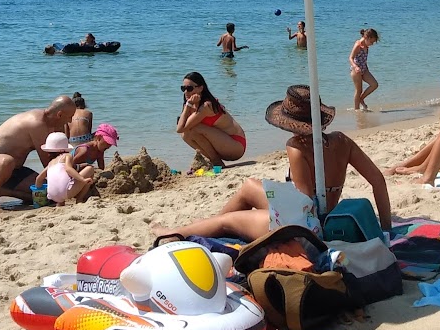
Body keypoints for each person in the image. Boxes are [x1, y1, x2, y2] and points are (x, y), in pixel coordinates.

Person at [158, 86, 392, 241]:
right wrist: (386, 231)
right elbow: (378, 181)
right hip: (326, 215)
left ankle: (176, 235)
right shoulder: (342, 140)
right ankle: (206, 228)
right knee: (249, 185)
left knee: (227, 221)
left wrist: (274, 201)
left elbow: (304, 204)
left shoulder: (296, 146)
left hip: (306, 227)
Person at [0, 96, 76, 211]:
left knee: (44, 195)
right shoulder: (37, 124)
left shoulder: (50, 124)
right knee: (6, 161)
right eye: (70, 117)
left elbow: (57, 157)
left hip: (16, 171)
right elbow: (49, 163)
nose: (70, 121)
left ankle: (1, 191)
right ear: (59, 115)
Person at [176, 71, 247, 166]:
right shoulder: (191, 105)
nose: (185, 92)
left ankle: (216, 161)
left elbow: (180, 128)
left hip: (236, 145)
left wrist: (188, 105)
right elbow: (181, 128)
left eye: (189, 88)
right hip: (223, 145)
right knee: (186, 134)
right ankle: (215, 160)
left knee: (193, 127)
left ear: (201, 88)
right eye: (183, 88)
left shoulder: (206, 106)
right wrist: (187, 105)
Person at [34, 133, 97, 205]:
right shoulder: (67, 156)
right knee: (90, 169)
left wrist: (38, 194)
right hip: (67, 192)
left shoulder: (50, 164)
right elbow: (68, 169)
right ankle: (79, 199)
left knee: (60, 180)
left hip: (52, 195)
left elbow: (38, 179)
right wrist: (82, 179)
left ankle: (60, 203)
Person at [349, 28, 380, 109]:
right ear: (367, 38)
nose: (372, 44)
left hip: (364, 69)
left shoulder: (366, 46)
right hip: (356, 70)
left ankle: (361, 99)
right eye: (371, 42)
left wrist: (367, 69)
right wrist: (356, 67)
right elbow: (350, 58)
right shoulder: (358, 45)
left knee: (374, 84)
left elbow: (364, 59)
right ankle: (356, 109)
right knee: (358, 90)